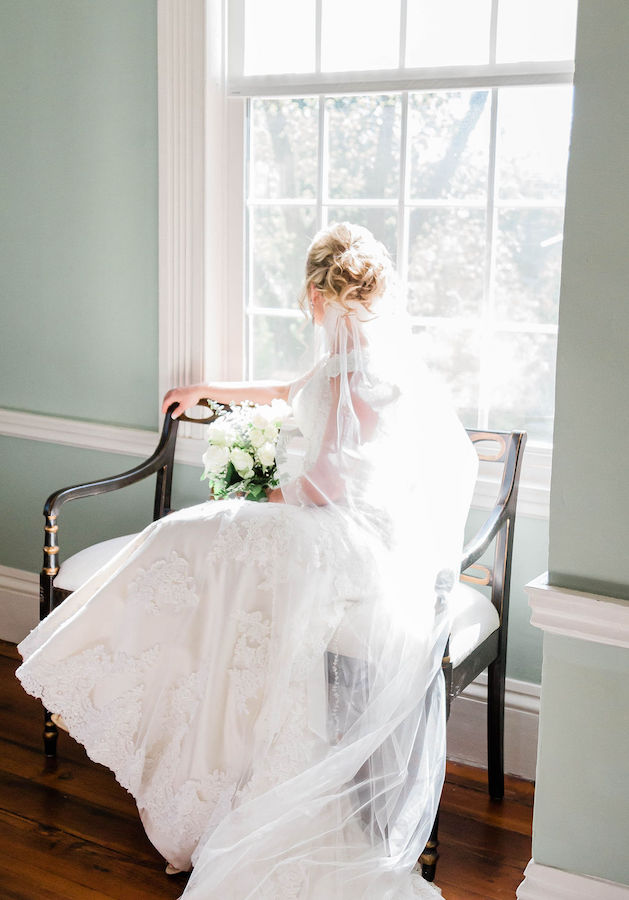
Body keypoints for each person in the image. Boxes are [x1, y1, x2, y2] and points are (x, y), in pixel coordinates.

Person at [16, 223, 477, 898]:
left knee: (196, 533)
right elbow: (290, 391)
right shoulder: (354, 360)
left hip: (333, 535)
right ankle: (190, 738)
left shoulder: (358, 371)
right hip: (330, 533)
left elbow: (325, 486)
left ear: (316, 294)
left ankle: (161, 716)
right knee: (198, 541)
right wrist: (208, 388)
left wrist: (263, 492)